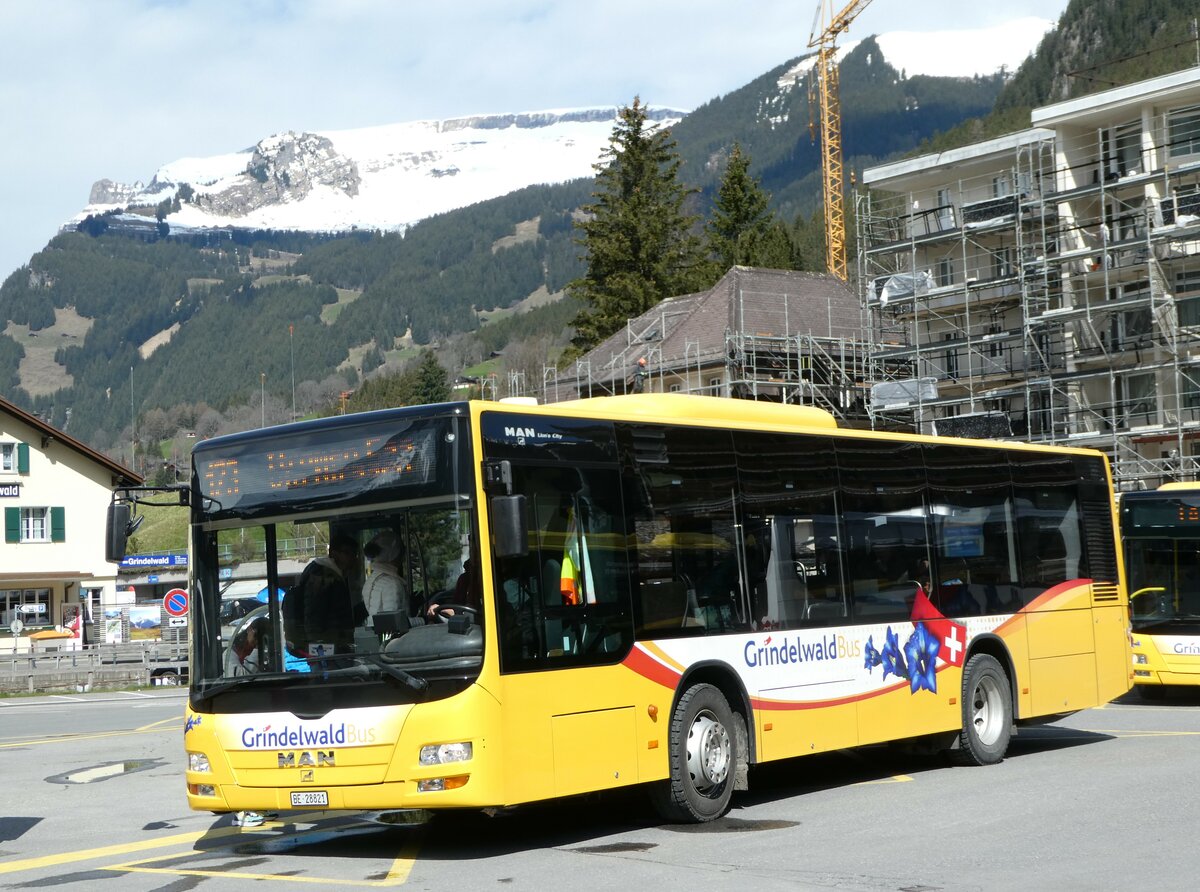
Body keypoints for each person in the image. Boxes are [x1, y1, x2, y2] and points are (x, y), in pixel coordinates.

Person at [285, 533, 363, 653]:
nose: (353, 558)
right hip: (328, 651)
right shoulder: (323, 578)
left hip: (329, 649)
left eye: (355, 554)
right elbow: (314, 618)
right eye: (348, 553)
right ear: (333, 553)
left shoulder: (328, 575)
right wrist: (322, 650)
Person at [361, 530, 407, 626]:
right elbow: (393, 623)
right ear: (394, 554)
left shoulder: (371, 580)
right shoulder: (391, 583)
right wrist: (423, 620)